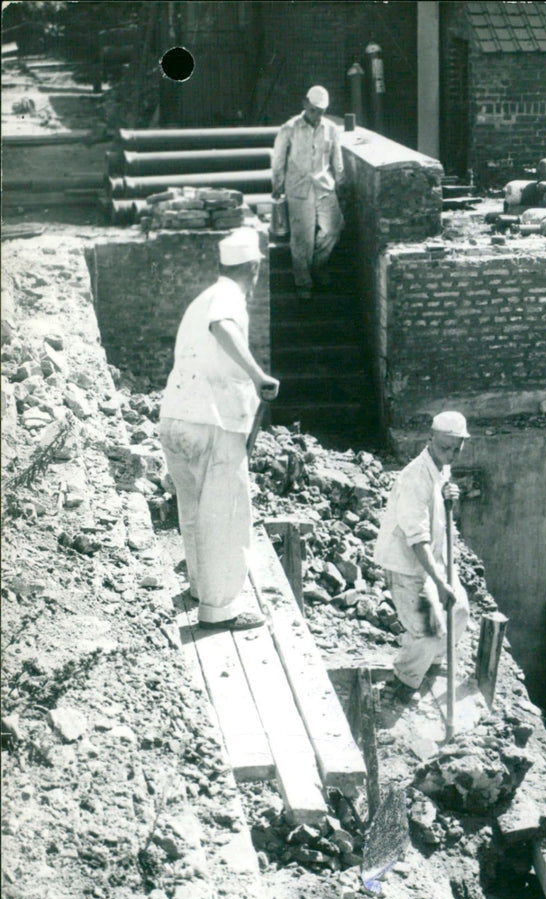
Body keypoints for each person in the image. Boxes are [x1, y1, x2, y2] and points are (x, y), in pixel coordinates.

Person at [158, 227, 280, 632]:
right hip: (214, 422)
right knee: (225, 515)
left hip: (176, 419)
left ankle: (198, 587)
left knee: (193, 511)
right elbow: (223, 327)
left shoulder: (202, 298)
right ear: (255, 267)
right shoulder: (228, 297)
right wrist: (258, 374)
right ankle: (219, 609)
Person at [374, 411, 471, 703]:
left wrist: (448, 496)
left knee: (460, 611)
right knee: (429, 631)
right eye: (445, 447)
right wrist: (441, 583)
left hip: (432, 561)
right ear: (430, 438)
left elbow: (439, 506)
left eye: (458, 448)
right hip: (407, 567)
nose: (452, 454)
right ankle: (403, 682)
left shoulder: (440, 466)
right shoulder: (414, 477)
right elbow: (418, 540)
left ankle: (431, 663)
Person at [272, 85, 345, 299]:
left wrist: (341, 182)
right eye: (313, 110)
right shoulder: (289, 128)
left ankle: (318, 265)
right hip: (298, 188)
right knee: (301, 238)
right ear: (305, 104)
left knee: (333, 228)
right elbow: (278, 160)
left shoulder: (331, 129)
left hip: (324, 187)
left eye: (320, 111)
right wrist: (277, 186)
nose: (316, 115)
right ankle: (303, 281)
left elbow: (337, 159)